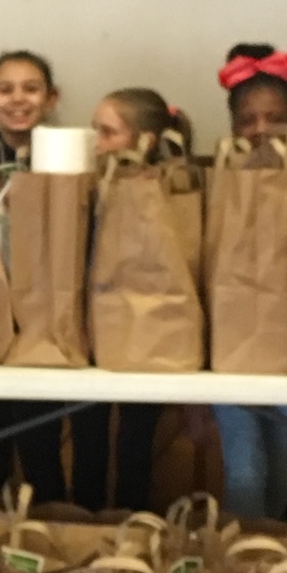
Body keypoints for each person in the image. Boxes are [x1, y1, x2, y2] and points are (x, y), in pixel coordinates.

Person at [76, 87, 191, 510]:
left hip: (147, 333)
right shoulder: (86, 184)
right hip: (88, 330)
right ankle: (82, 530)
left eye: (107, 133)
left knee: (136, 444)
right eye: (94, 132)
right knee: (87, 440)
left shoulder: (166, 195)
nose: (97, 144)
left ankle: (133, 537)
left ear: (145, 141)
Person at [208, 44, 287, 520]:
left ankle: (275, 552)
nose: (261, 130)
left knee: (284, 454)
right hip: (231, 346)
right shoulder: (216, 181)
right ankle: (242, 558)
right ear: (231, 127)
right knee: (245, 466)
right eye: (248, 119)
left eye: (275, 117)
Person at [0, 51, 69, 503]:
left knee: (41, 446)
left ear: (51, 98)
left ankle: (50, 547)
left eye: (31, 88)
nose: (18, 99)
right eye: (6, 90)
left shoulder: (66, 161)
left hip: (45, 317)